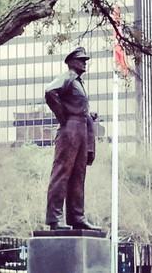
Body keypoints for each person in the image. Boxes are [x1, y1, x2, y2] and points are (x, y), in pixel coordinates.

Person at [45, 47, 101, 231]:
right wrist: (63, 116)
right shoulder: (68, 77)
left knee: (78, 175)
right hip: (70, 129)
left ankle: (77, 217)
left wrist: (87, 115)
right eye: (81, 59)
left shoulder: (78, 82)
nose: (84, 62)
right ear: (71, 62)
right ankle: (55, 219)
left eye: (85, 60)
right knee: (62, 173)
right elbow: (50, 91)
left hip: (81, 130)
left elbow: (76, 105)